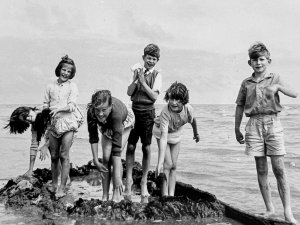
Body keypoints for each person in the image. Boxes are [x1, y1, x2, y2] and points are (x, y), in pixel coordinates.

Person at [235, 42, 297, 224]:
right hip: (253, 124)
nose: (258, 63)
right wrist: (236, 128)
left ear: (268, 60)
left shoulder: (275, 77)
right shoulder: (246, 83)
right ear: (250, 63)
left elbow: (295, 93)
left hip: (273, 123)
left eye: (261, 59)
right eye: (254, 60)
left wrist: (278, 88)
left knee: (279, 169)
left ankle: (288, 213)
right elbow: (239, 106)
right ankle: (270, 209)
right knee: (261, 169)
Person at [125, 43, 162, 203]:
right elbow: (129, 92)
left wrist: (143, 82)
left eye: (154, 59)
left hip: (148, 112)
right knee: (131, 146)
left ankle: (143, 181)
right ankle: (128, 181)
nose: (151, 61)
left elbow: (154, 97)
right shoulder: (137, 71)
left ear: (157, 60)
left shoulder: (157, 74)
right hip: (134, 111)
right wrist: (135, 79)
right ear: (143, 58)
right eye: (149, 58)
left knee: (146, 147)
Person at [43, 55, 84, 198]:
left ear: (71, 73)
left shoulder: (73, 86)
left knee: (64, 155)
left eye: (68, 71)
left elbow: (72, 106)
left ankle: (62, 187)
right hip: (53, 125)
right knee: (54, 156)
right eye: (63, 69)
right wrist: (45, 115)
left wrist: (59, 110)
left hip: (68, 123)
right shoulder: (50, 86)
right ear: (59, 69)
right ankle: (54, 184)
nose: (65, 73)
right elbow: (45, 105)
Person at [87, 90, 135, 202]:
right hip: (106, 124)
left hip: (124, 121)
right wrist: (95, 160)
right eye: (97, 109)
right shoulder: (92, 112)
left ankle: (116, 195)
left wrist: (117, 177)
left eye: (104, 109)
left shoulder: (116, 114)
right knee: (105, 158)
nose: (100, 113)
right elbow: (93, 137)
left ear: (110, 106)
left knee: (113, 158)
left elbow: (116, 149)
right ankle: (104, 196)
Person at [153, 82, 200, 196]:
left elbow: (192, 121)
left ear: (183, 100)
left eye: (177, 100)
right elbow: (164, 138)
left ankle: (171, 195)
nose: (173, 102)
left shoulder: (188, 109)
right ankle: (164, 196)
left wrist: (196, 133)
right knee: (167, 164)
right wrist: (159, 162)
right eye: (171, 99)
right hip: (161, 133)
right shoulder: (165, 112)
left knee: (174, 165)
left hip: (176, 132)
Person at [4, 107, 51, 177]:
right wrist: (30, 169)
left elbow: (59, 132)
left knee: (56, 151)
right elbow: (34, 145)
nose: (28, 119)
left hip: (67, 129)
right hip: (54, 136)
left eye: (26, 116)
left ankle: (62, 176)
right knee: (52, 148)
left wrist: (46, 146)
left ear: (29, 109)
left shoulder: (47, 112)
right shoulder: (35, 124)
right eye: (26, 120)